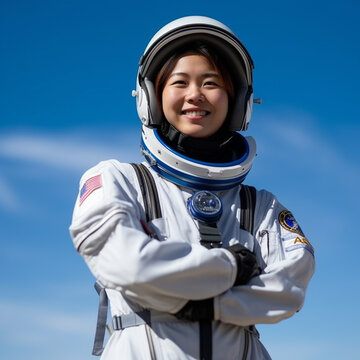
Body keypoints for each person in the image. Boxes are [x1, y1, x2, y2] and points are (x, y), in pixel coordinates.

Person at [69, 16, 315, 360]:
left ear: (237, 101)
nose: (195, 95)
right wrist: (231, 267)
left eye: (211, 83)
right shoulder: (117, 180)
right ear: (151, 97)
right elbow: (126, 264)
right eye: (179, 82)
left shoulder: (260, 206)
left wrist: (183, 296)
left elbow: (288, 290)